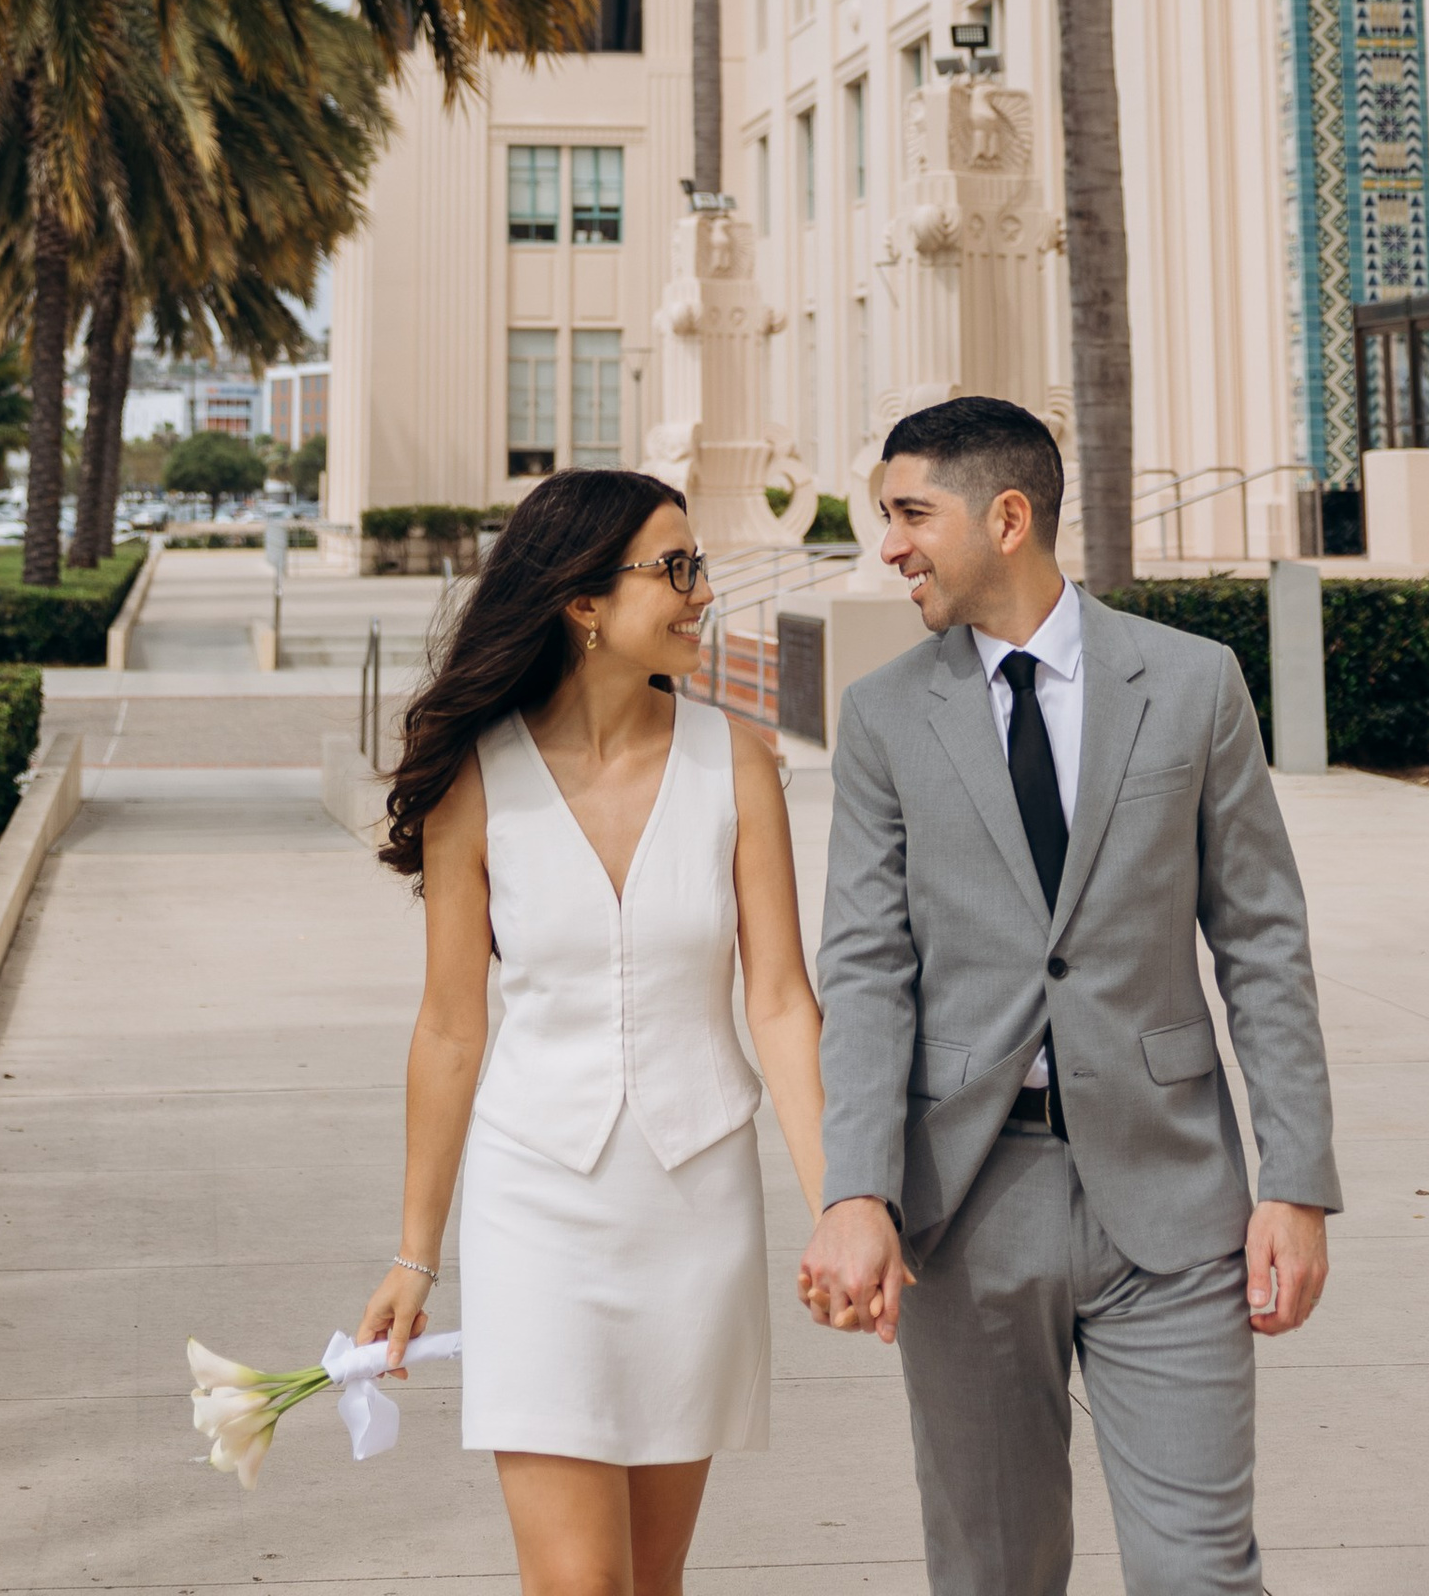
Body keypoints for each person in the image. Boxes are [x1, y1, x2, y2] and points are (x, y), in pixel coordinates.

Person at [798, 395, 1340, 1596]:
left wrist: (1294, 1182)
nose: (887, 545)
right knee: (995, 1571)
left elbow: (1260, 939)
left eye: (908, 514)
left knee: (1200, 1573)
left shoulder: (1194, 684)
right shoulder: (884, 717)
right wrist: (855, 1189)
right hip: (966, 1211)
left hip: (1174, 1202)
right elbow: (867, 970)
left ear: (1005, 517)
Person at [361, 469, 828, 1596]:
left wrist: (839, 1206)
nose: (702, 592)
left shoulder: (740, 764)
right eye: (676, 569)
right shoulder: (475, 779)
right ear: (581, 601)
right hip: (538, 1211)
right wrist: (414, 1254)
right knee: (578, 1583)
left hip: (695, 1209)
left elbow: (778, 1001)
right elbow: (450, 1028)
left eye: (697, 567)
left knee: (652, 1581)